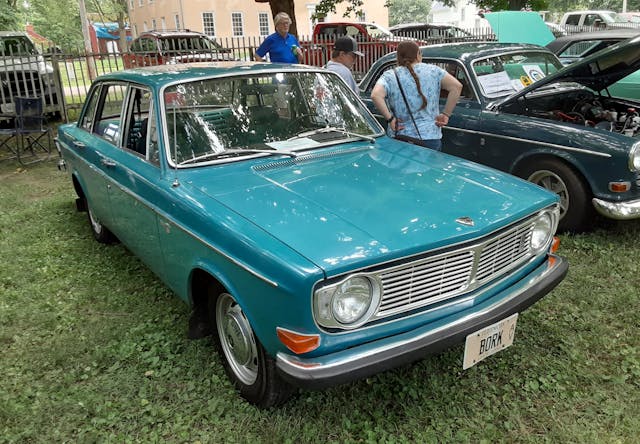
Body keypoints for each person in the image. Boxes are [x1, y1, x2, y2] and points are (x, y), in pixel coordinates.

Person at [370, 41, 462, 151]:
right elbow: (457, 87)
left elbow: (375, 95)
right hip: (430, 137)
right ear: (418, 54)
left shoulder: (390, 76)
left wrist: (390, 119)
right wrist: (446, 114)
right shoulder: (434, 71)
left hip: (400, 136)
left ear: (398, 57)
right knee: (428, 168)